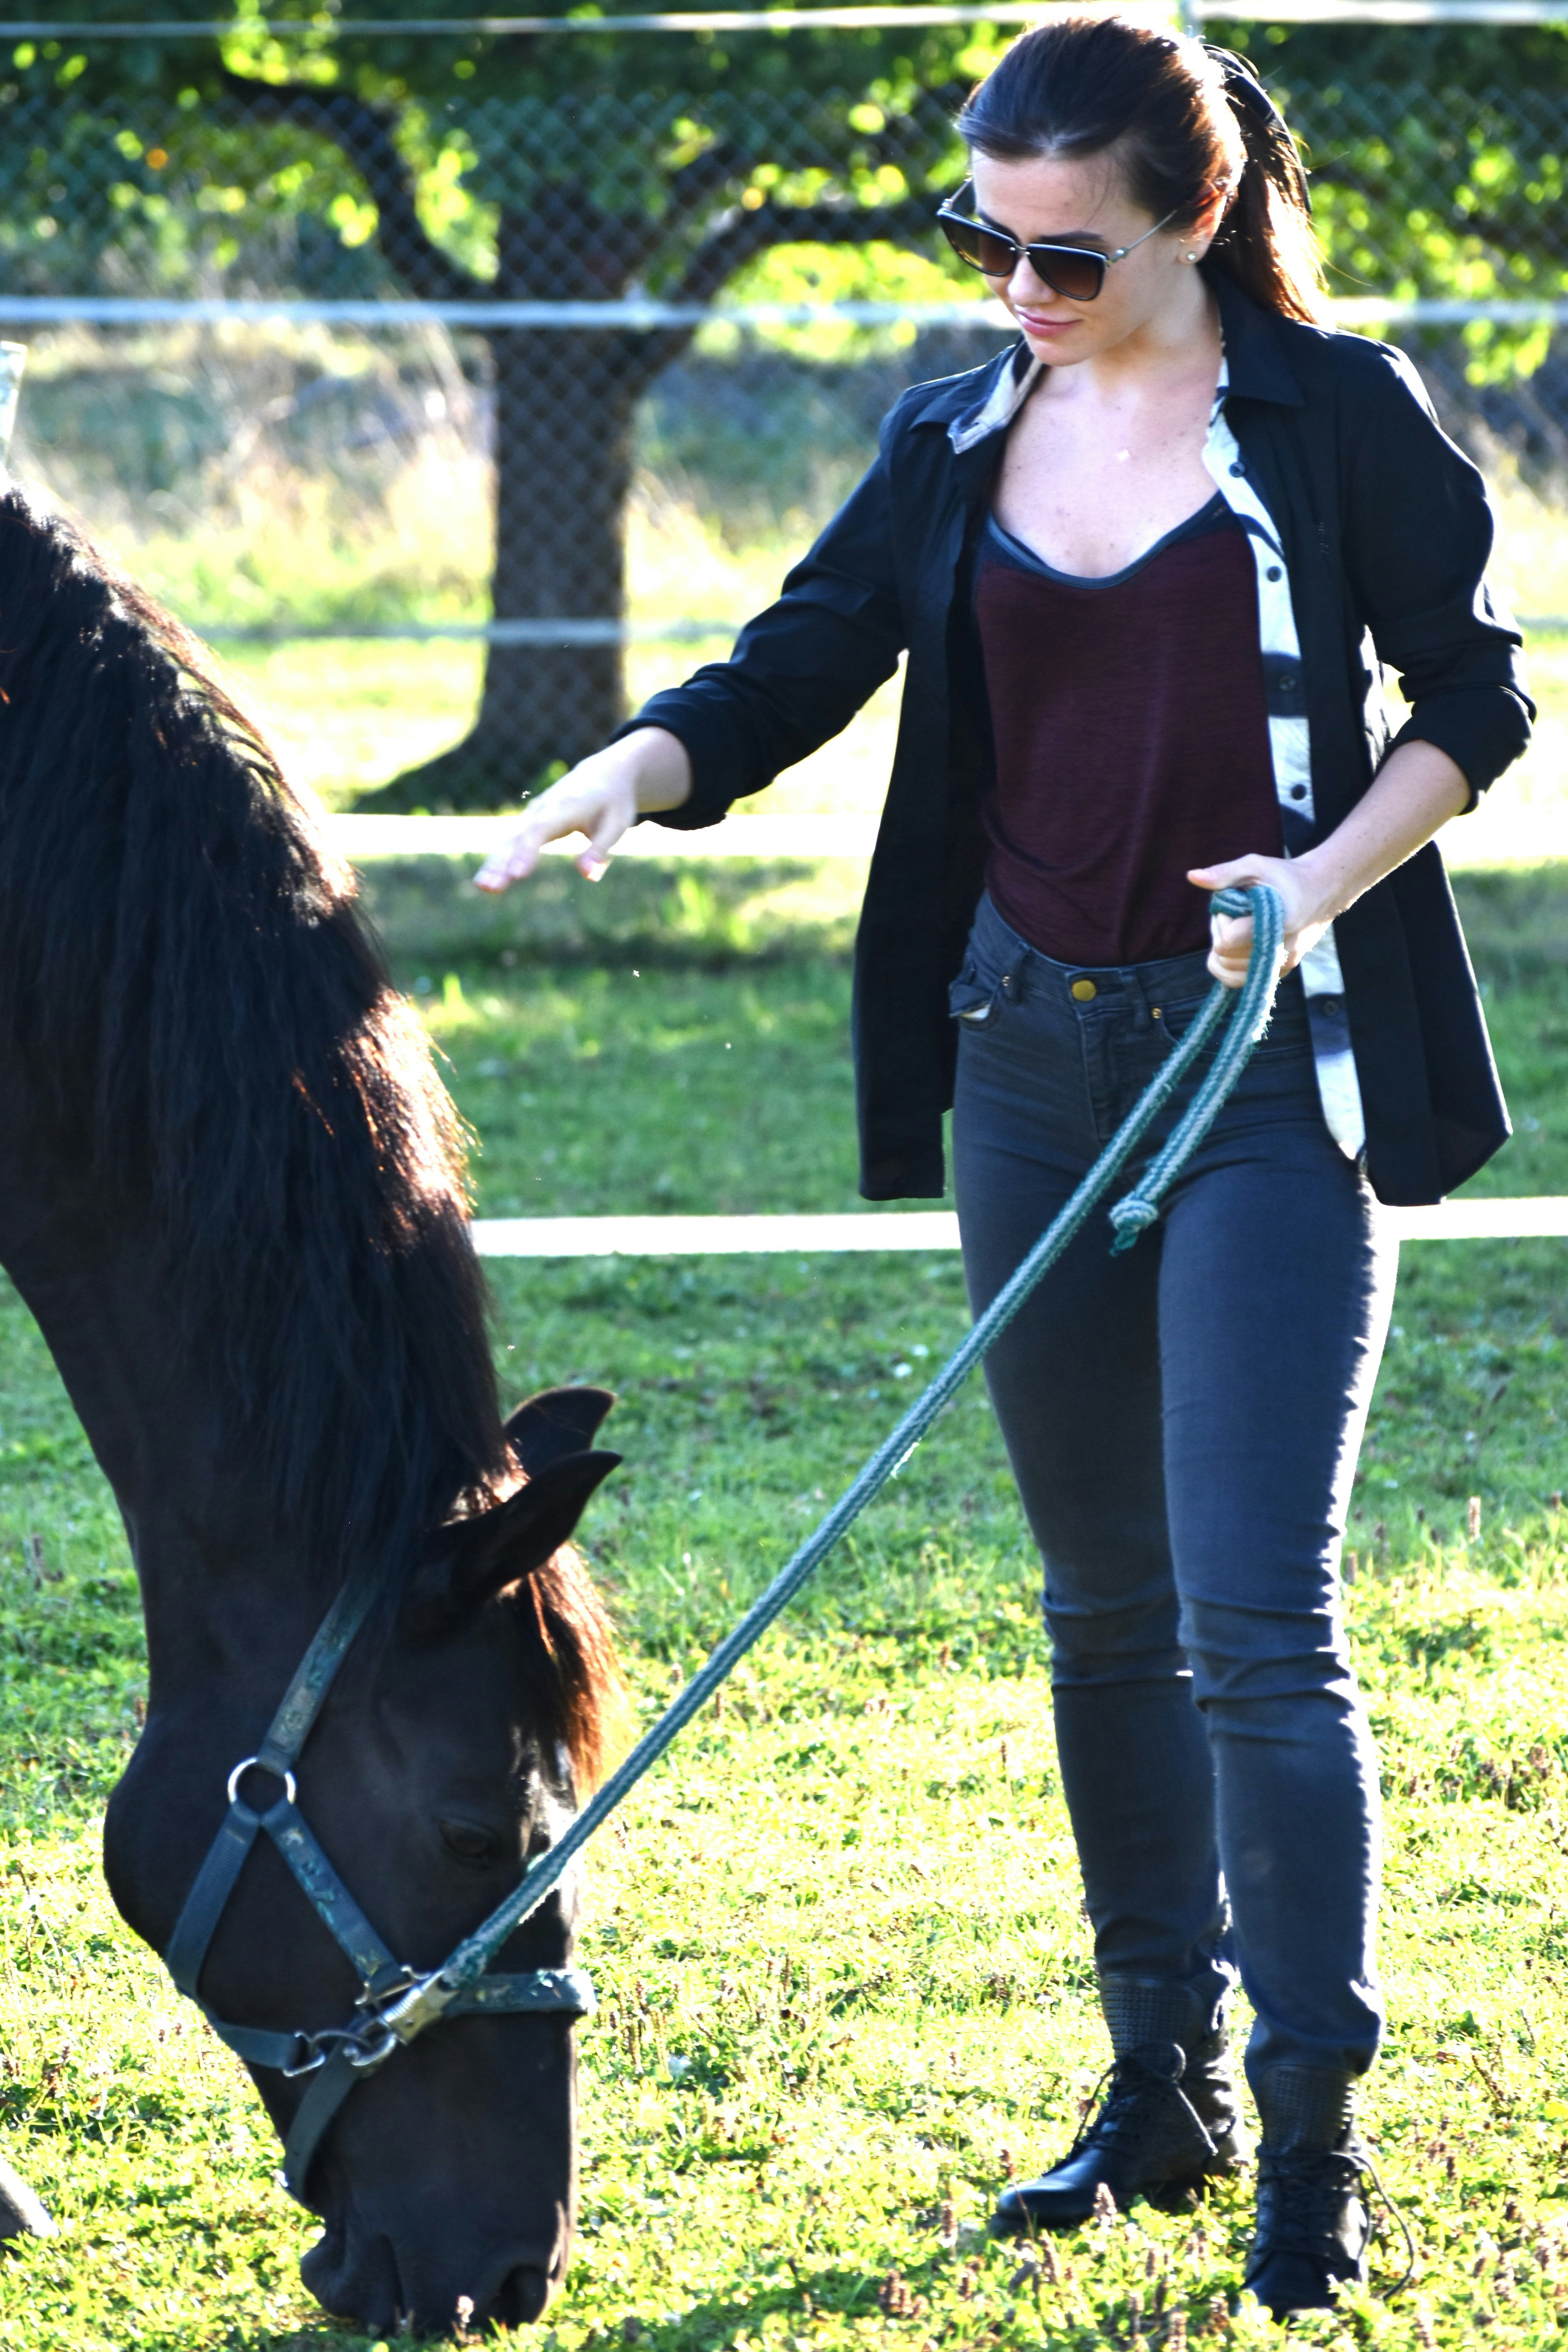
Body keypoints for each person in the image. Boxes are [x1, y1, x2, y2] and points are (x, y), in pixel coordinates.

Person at [477, 15, 1530, 2320]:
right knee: (1102, 1609)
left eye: (1064, 255)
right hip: (1022, 1062)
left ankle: (1313, 2147)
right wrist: (632, 773)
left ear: (1194, 217)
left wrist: (1315, 884)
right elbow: (799, 659)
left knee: (1256, 1619)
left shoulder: (1332, 420)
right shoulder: (955, 432)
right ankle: (1162, 2091)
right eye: (985, 240)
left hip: (1264, 1072)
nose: (1016, 289)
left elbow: (1477, 696)